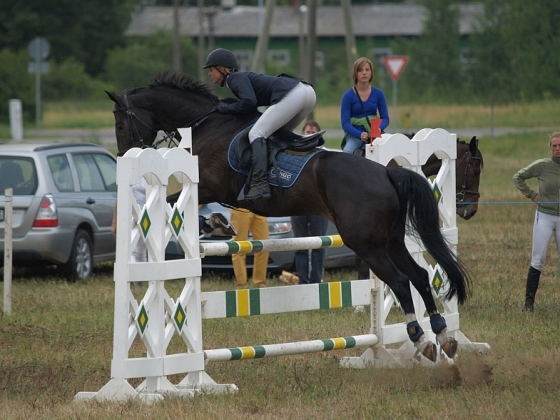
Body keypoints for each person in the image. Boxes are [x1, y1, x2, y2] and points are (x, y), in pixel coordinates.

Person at [203, 48, 316, 201]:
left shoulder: (234, 78)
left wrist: (226, 108)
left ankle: (260, 184)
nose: (210, 74)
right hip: (308, 93)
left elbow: (249, 102)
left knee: (256, 134)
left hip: (294, 93)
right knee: (276, 137)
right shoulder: (238, 79)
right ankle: (281, 174)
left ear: (222, 69)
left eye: (211, 70)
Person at [513, 132, 560, 312]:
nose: (557, 149)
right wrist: (533, 195)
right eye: (554, 145)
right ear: (550, 147)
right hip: (545, 217)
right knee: (538, 259)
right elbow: (518, 177)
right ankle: (529, 304)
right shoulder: (543, 165)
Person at [290, 120, 329, 284]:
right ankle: (303, 280)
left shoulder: (325, 154)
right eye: (307, 131)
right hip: (297, 204)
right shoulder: (294, 152)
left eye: (314, 131)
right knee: (300, 245)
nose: (310, 133)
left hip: (318, 205)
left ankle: (316, 279)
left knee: (319, 245)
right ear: (302, 133)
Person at [340, 57, 389, 154]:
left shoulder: (379, 94)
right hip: (356, 135)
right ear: (355, 74)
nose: (364, 73)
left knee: (393, 153)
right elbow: (345, 123)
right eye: (360, 70)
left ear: (371, 73)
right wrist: (359, 134)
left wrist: (379, 128)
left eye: (367, 70)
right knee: (346, 154)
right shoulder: (348, 96)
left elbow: (385, 118)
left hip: (375, 133)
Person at [230, 207, 269, 288]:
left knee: (264, 247)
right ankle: (241, 285)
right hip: (240, 207)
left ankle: (260, 283)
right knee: (239, 248)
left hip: (258, 206)